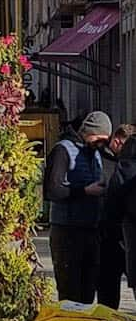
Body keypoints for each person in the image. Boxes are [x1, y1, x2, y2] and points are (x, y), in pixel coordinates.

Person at [43, 109, 112, 303]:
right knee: (70, 292)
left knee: (88, 292)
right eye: (99, 139)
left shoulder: (95, 154)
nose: (101, 144)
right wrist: (84, 191)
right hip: (67, 233)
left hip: (90, 231)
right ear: (88, 132)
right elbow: (52, 190)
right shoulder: (63, 150)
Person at [97, 124, 136, 309]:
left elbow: (112, 209)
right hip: (123, 238)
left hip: (120, 239)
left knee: (108, 296)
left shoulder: (124, 167)